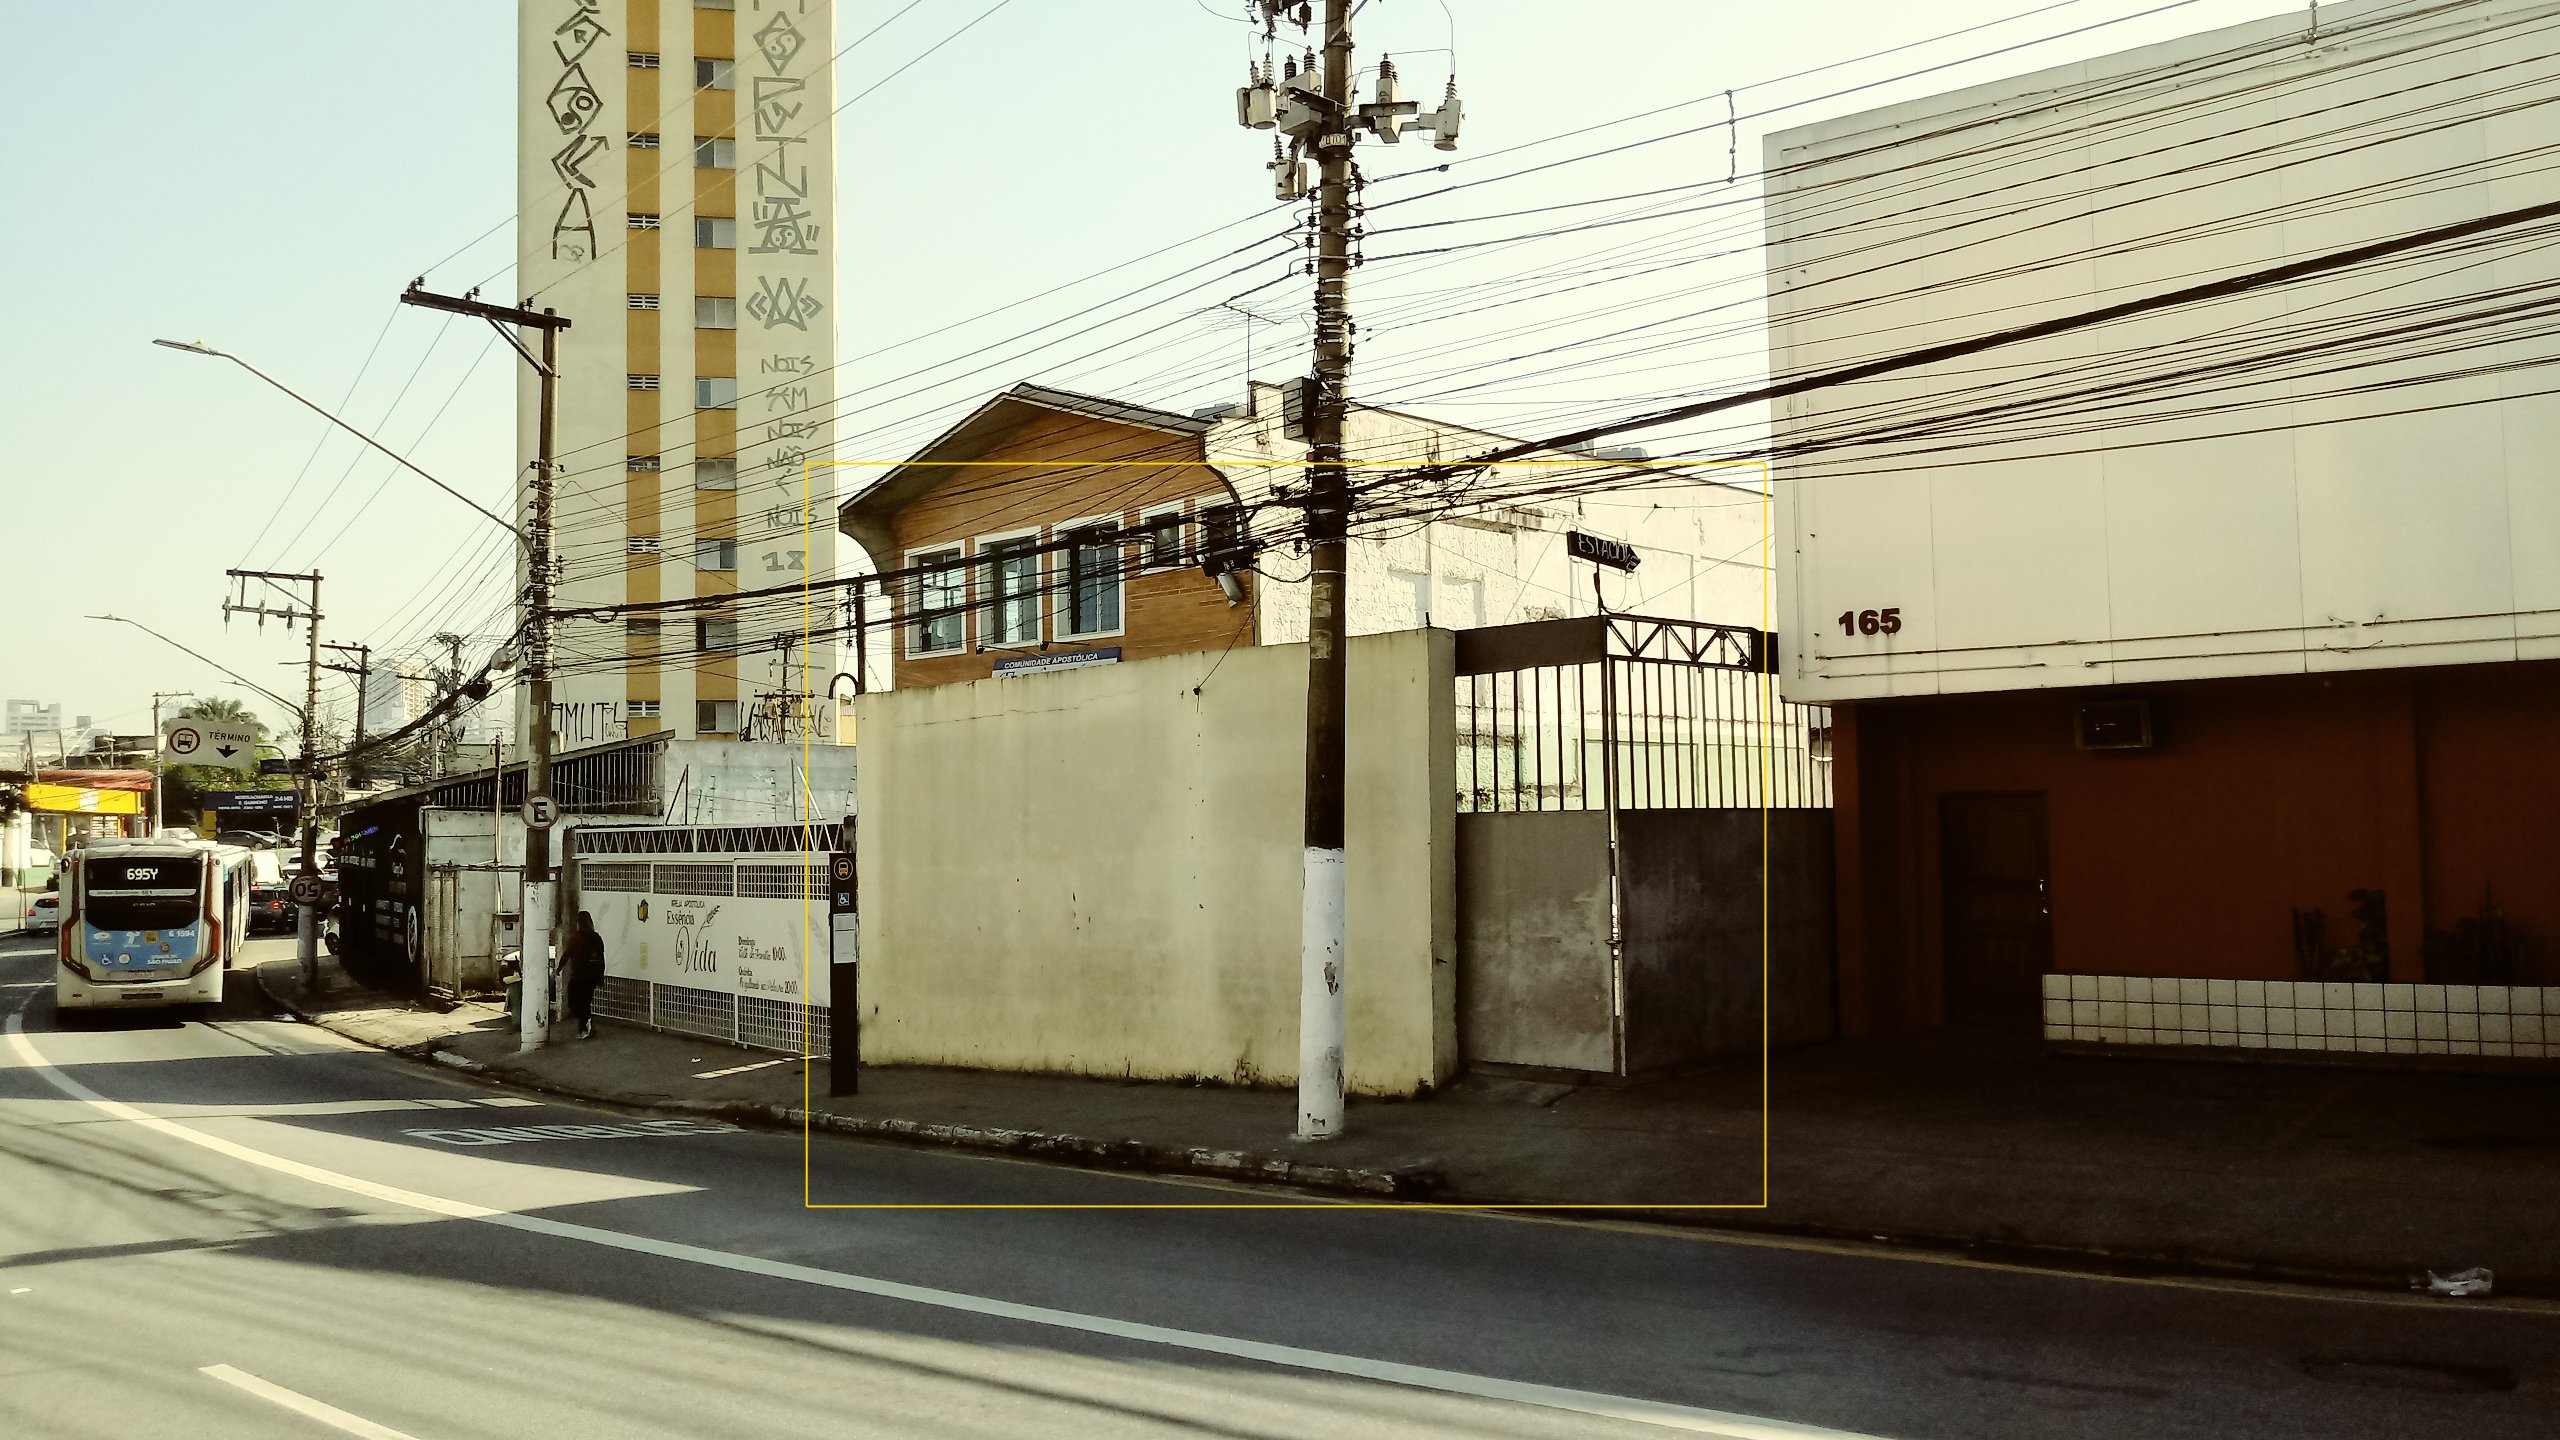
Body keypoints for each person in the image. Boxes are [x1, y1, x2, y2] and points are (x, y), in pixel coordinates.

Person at [565, 911, 607, 1040]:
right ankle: (585, 1027)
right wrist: (601, 976)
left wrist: (559, 968)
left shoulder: (576, 937)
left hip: (580, 974)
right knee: (586, 1001)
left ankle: (586, 1024)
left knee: (574, 1002)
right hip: (593, 975)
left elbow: (567, 954)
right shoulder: (596, 937)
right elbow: (601, 957)